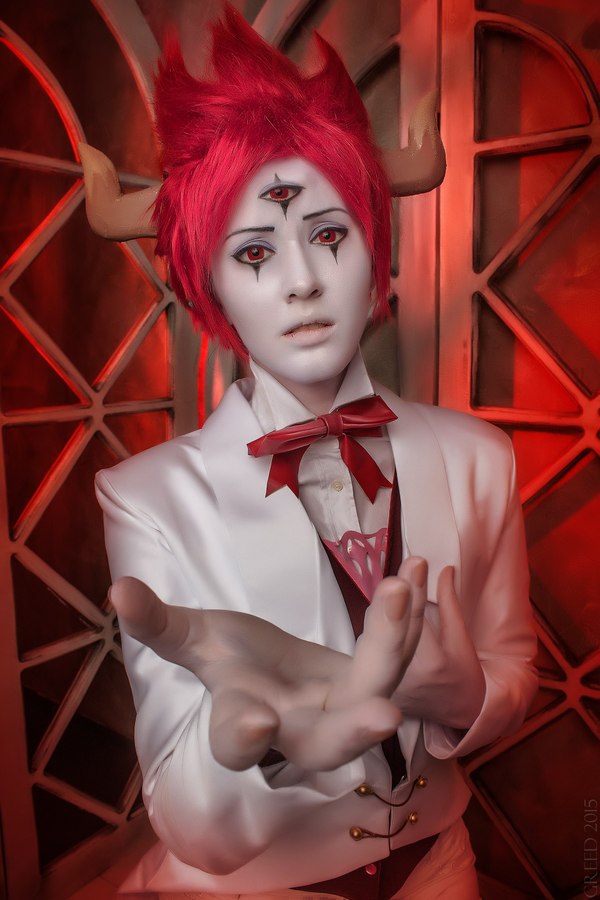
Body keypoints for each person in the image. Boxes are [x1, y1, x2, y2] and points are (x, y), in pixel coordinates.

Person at [81, 7, 538, 899]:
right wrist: (248, 749)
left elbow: (515, 669)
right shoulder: (146, 498)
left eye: (329, 234)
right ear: (209, 288)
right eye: (254, 251)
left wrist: (465, 697)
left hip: (442, 870)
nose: (300, 281)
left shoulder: (482, 459)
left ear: (376, 253)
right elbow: (187, 822)